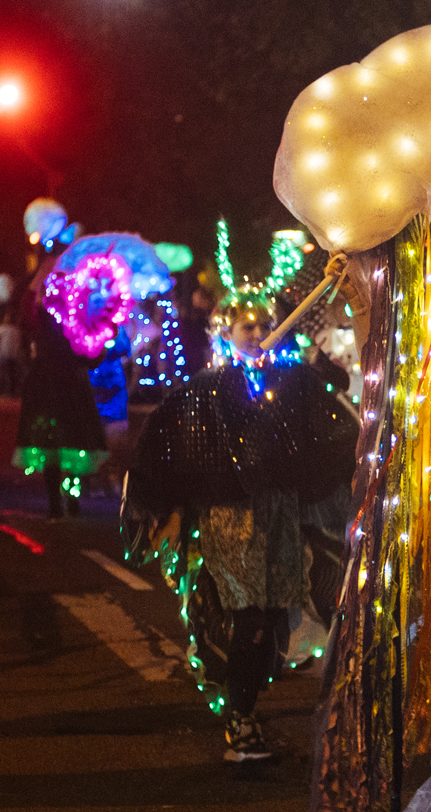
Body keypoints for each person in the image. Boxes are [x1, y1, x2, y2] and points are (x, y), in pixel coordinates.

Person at [122, 281, 357, 761]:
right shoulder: (204, 390)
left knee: (273, 619)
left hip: (283, 516)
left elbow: (338, 424)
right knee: (249, 616)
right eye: (246, 326)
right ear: (225, 332)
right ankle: (240, 718)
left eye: (265, 325)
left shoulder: (295, 382)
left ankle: (244, 702)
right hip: (231, 522)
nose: (257, 333)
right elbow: (169, 451)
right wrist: (169, 509)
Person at [13, 247, 108, 520]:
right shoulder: (46, 318)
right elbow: (28, 306)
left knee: (69, 449)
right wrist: (41, 273)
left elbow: (93, 356)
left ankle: (68, 501)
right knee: (56, 448)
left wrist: (97, 343)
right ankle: (58, 503)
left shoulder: (81, 319)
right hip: (52, 386)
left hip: (65, 386)